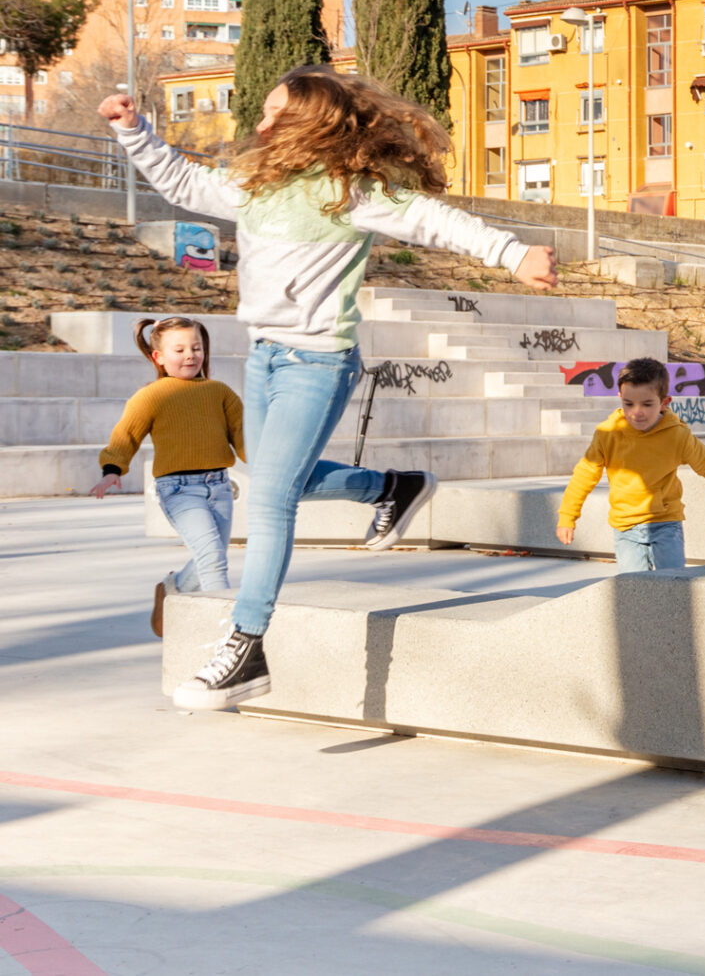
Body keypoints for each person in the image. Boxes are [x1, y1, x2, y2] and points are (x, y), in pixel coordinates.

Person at [98, 69, 558, 709]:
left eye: (273, 113)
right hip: (264, 358)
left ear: (309, 124)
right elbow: (182, 182)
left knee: (271, 500)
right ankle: (391, 488)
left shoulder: (349, 192)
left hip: (317, 363)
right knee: (273, 478)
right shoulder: (256, 184)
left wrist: (512, 253)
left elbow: (431, 219)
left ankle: (248, 645)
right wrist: (132, 131)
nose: (260, 124)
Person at [91, 316, 245, 638]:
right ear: (158, 357)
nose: (190, 355)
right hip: (178, 490)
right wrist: (111, 470)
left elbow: (244, 436)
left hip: (219, 486)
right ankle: (227, 636)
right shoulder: (152, 396)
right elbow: (125, 436)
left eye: (196, 348)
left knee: (210, 558)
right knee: (213, 561)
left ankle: (172, 587)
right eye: (180, 350)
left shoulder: (220, 392)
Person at [556, 357, 705, 571]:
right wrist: (567, 517)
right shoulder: (608, 434)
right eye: (629, 404)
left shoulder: (677, 436)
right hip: (626, 527)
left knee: (672, 582)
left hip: (665, 523)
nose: (637, 412)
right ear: (620, 397)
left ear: (664, 403)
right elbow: (584, 475)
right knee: (634, 586)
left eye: (647, 404)